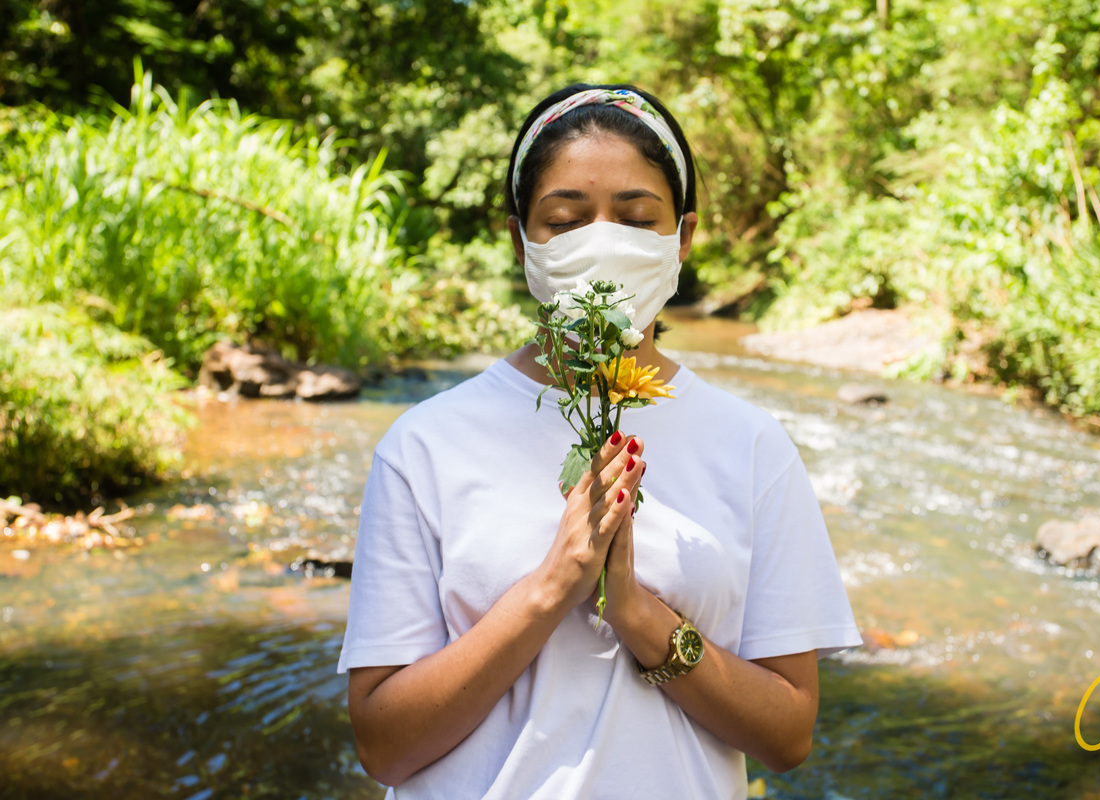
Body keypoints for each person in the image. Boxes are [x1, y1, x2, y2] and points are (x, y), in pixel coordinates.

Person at [338, 82, 862, 799]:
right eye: (566, 218)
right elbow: (384, 747)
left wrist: (643, 620)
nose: (603, 241)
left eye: (636, 216)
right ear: (520, 236)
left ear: (681, 238)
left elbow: (787, 735)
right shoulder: (424, 445)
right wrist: (552, 587)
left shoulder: (752, 447)